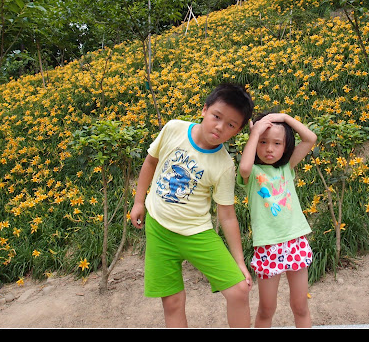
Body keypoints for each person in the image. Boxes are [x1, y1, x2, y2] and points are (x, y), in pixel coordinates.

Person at [130, 83, 254, 328]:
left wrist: (239, 261)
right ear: (205, 109)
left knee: (239, 291)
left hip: (197, 234)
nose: (220, 127)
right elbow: (151, 162)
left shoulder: (224, 165)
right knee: (173, 302)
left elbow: (227, 216)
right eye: (216, 116)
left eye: (230, 124)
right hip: (159, 230)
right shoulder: (174, 128)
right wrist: (138, 201)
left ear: (238, 131)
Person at [237, 112, 317, 328]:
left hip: (295, 242)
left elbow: (310, 139)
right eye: (263, 142)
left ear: (285, 146)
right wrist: (255, 133)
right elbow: (244, 167)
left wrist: (284, 117)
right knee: (266, 309)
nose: (269, 149)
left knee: (300, 306)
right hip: (268, 246)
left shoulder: (286, 168)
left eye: (276, 143)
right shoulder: (252, 173)